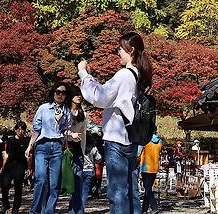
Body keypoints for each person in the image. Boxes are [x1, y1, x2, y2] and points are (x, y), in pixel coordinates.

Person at [78, 31, 154, 214]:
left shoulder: (124, 75)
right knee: (131, 190)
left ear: (131, 50)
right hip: (131, 139)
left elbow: (100, 97)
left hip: (116, 140)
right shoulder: (140, 77)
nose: (118, 52)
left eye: (120, 49)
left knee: (117, 191)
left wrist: (83, 74)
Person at [25, 85, 78, 214]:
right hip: (42, 146)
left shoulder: (66, 111)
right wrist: (30, 146)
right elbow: (36, 129)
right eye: (58, 92)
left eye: (63, 93)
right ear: (53, 93)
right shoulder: (44, 108)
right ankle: (35, 211)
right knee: (41, 180)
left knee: (54, 184)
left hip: (57, 148)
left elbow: (65, 128)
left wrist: (71, 134)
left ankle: (48, 211)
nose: (60, 95)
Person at [65, 85, 92, 214]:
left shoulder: (83, 113)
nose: (79, 96)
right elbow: (58, 130)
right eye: (76, 93)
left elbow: (83, 134)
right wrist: (69, 134)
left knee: (78, 180)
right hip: (63, 147)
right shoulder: (64, 111)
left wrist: (82, 151)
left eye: (80, 93)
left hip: (76, 149)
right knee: (54, 182)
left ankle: (76, 211)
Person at [0, 122, 29, 214]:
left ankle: (15, 208)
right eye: (18, 129)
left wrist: (29, 168)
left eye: (22, 129)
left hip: (20, 165)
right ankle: (5, 205)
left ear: (25, 130)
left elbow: (29, 156)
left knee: (18, 188)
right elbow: (6, 155)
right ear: (15, 130)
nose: (20, 131)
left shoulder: (27, 141)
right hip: (9, 165)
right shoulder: (10, 140)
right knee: (5, 186)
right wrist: (3, 167)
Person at [139, 134, 163, 213]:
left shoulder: (144, 140)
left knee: (148, 189)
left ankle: (154, 207)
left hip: (145, 167)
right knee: (148, 189)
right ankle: (144, 209)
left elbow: (138, 153)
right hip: (154, 167)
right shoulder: (160, 141)